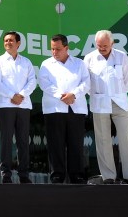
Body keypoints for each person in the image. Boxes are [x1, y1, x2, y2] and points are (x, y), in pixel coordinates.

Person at [83, 30, 128, 184]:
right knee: (102, 139)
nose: (102, 48)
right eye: (99, 45)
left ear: (112, 43)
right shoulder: (89, 58)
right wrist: (98, 95)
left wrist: (116, 93)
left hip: (119, 102)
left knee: (126, 137)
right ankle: (108, 177)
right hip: (99, 103)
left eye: (105, 45)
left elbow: (127, 81)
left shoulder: (121, 56)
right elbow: (87, 83)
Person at [39, 34, 90, 184]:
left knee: (76, 143)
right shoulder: (46, 64)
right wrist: (62, 96)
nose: (54, 52)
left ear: (66, 48)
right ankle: (57, 174)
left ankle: (77, 174)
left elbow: (86, 83)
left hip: (76, 107)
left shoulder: (79, 64)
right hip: (54, 108)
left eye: (58, 49)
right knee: (55, 143)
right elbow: (44, 83)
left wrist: (74, 94)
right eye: (52, 49)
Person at [0, 31, 37, 184]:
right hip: (6, 105)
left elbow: (32, 81)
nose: (8, 43)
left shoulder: (26, 62)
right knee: (6, 140)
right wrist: (12, 95)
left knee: (23, 140)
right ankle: (6, 174)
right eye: (5, 40)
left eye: (11, 40)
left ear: (18, 43)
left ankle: (24, 174)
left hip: (24, 105)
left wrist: (21, 95)